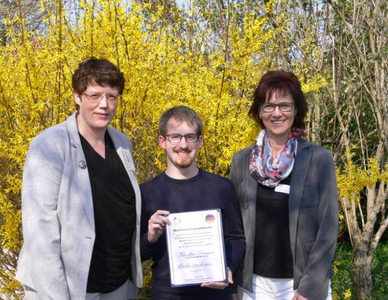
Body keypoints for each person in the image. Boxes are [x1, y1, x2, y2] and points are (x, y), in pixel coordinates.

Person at [15, 58, 143, 300]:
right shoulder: (49, 145)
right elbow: (40, 232)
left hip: (117, 285)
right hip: (69, 288)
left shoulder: (122, 143)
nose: (104, 105)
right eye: (95, 95)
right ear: (78, 97)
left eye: (112, 96)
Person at [229, 70, 338, 300]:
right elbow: (233, 225)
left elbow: (328, 229)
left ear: (296, 110)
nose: (277, 113)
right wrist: (232, 282)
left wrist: (310, 287)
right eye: (269, 106)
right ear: (259, 111)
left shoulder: (318, 159)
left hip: (302, 284)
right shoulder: (242, 161)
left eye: (285, 105)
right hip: (253, 286)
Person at [140, 105, 246, 300]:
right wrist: (151, 237)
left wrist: (228, 268)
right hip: (166, 295)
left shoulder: (222, 187)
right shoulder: (146, 192)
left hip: (215, 295)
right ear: (162, 141)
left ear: (200, 141)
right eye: (175, 137)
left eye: (190, 137)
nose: (183, 144)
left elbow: (236, 239)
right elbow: (137, 254)